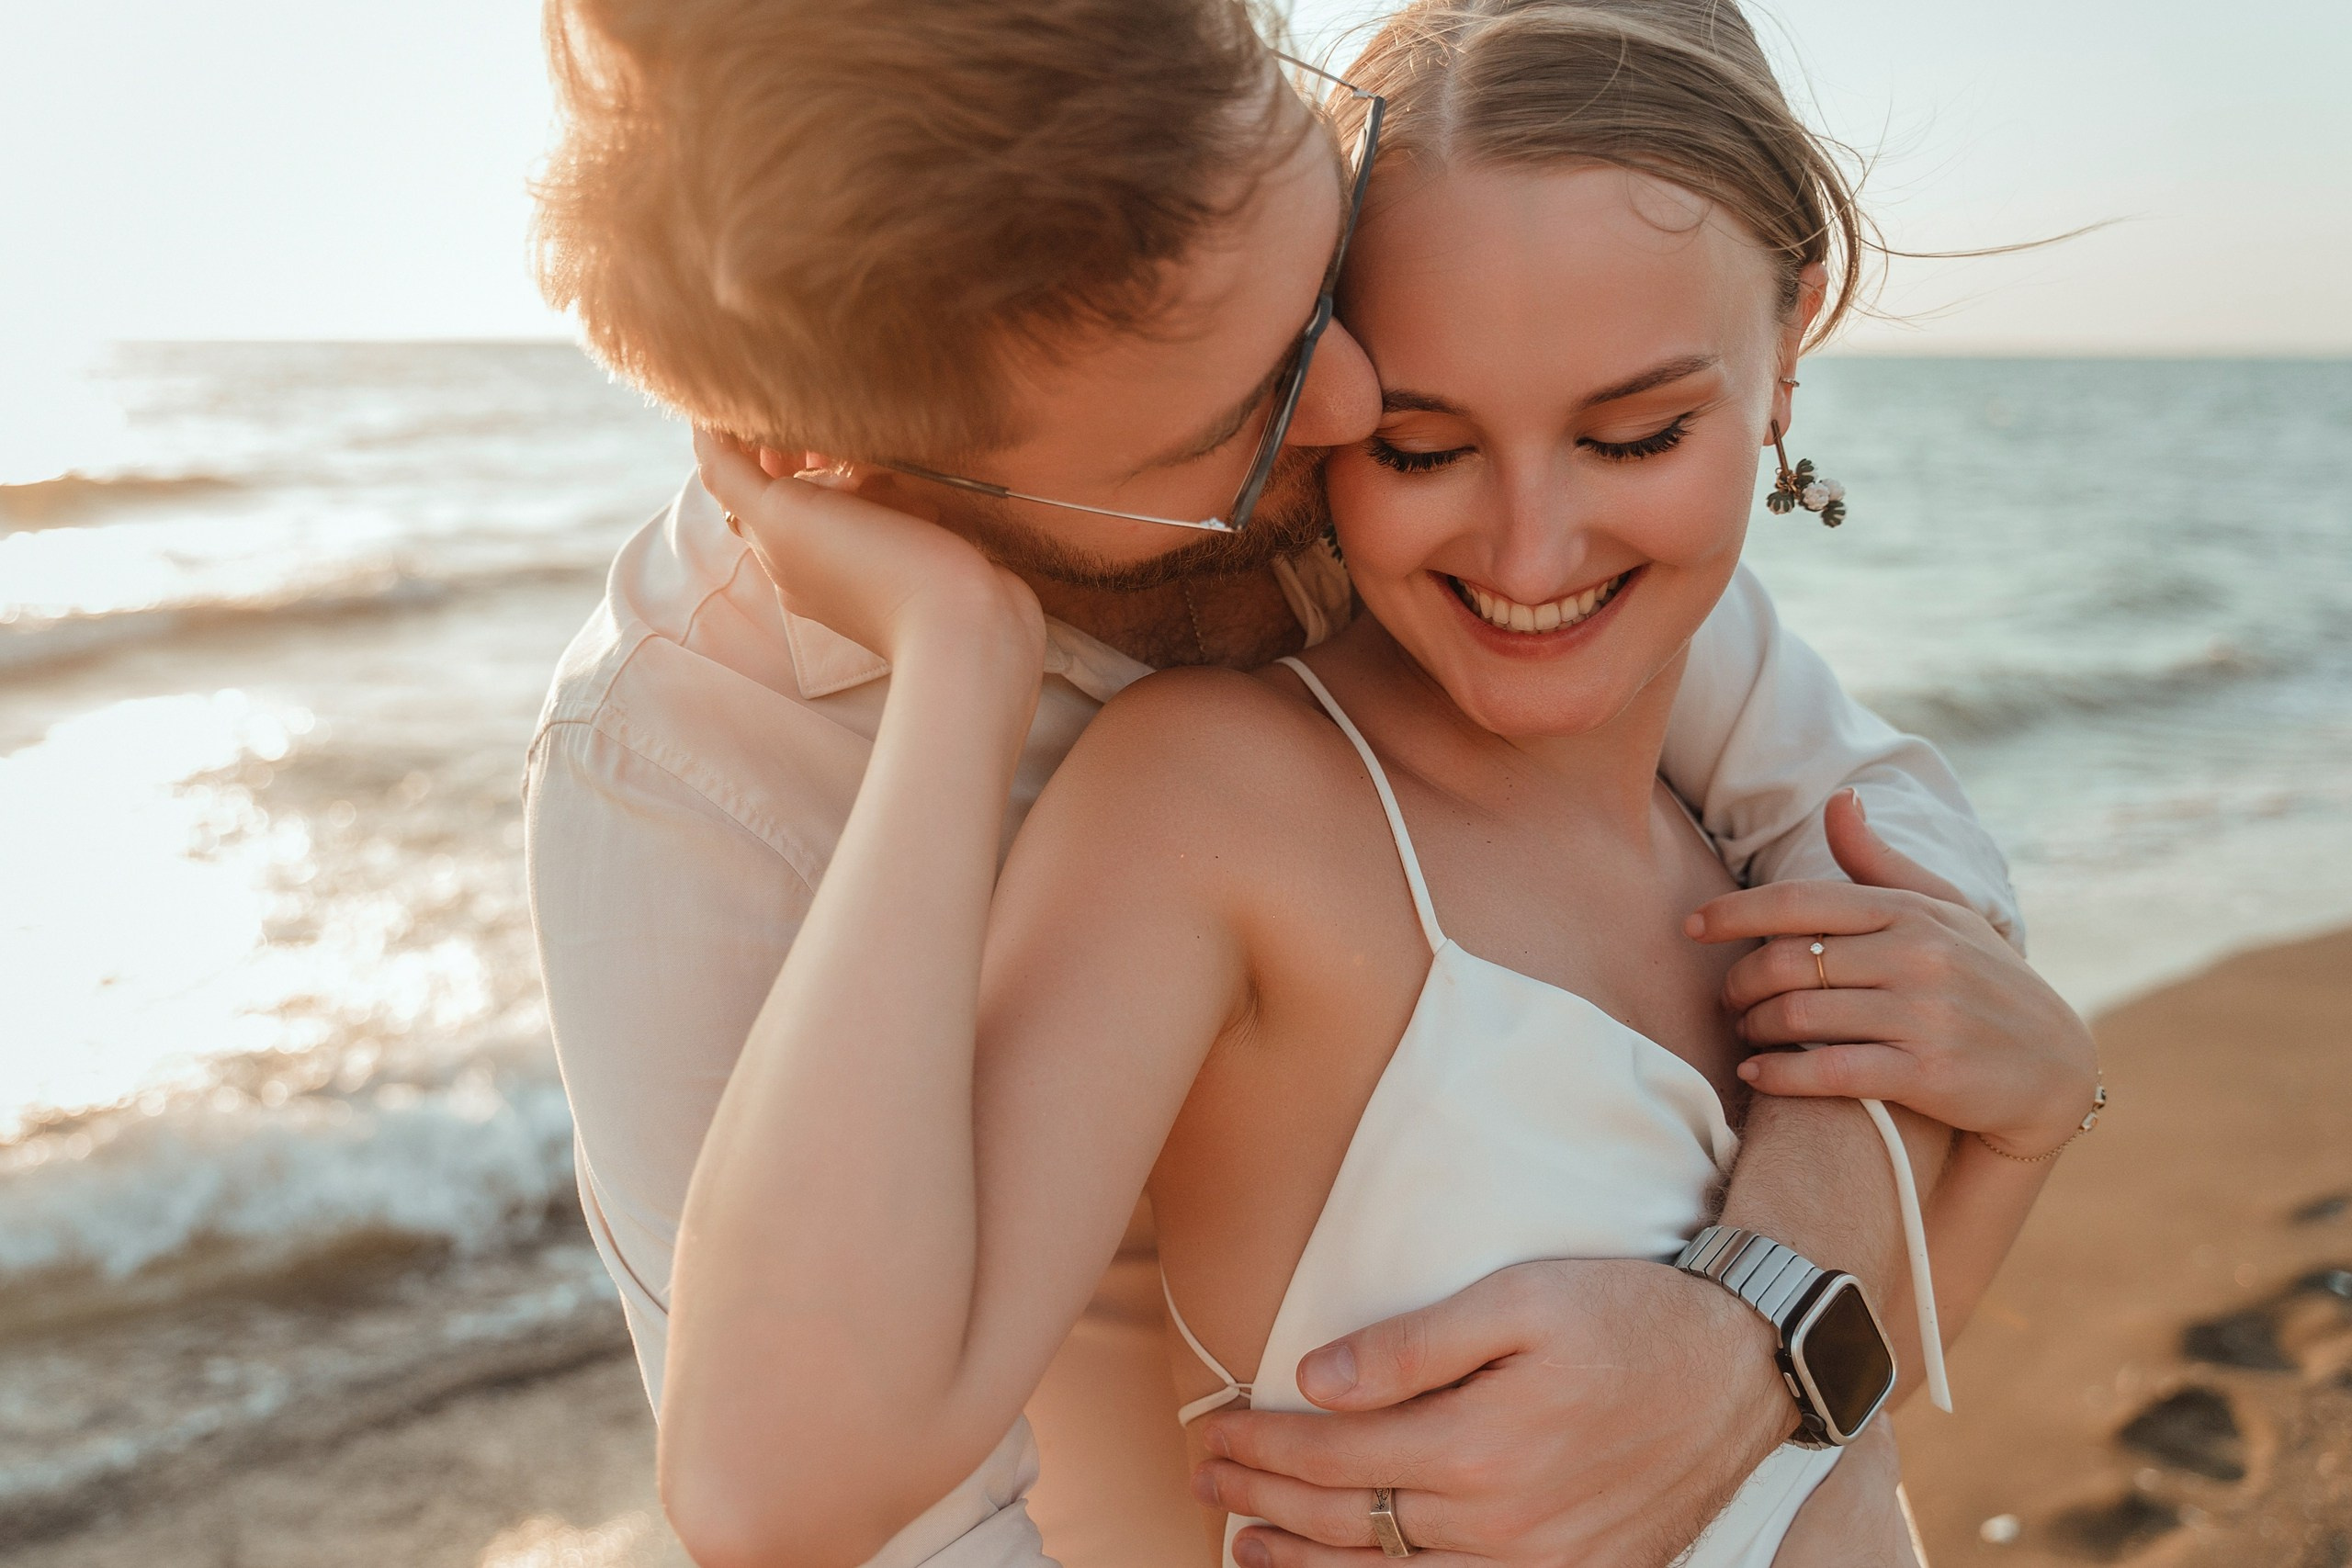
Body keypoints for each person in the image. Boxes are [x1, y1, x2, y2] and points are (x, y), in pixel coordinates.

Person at [523, 0, 2033, 1563]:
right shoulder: (676, 780)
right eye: (1231, 428)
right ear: (846, 469)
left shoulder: (1421, 455)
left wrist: (1744, 1339)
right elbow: (864, 1527)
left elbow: (1899, 883)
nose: (1353, 408)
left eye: (1319, 296)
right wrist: (960, 674)